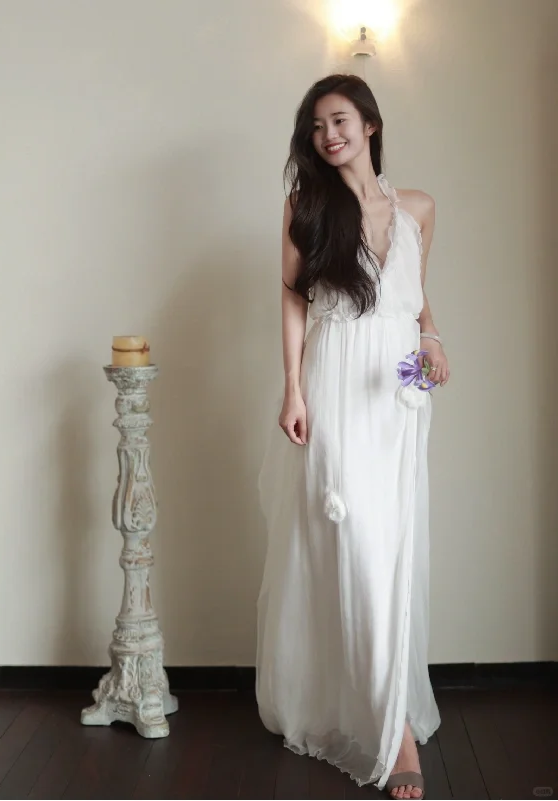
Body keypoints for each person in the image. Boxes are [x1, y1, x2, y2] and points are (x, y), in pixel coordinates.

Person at [256, 74, 449, 800]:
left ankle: (385, 701)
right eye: (315, 126)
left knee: (392, 548)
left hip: (397, 392)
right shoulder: (305, 206)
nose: (327, 135)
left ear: (369, 123)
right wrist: (293, 386)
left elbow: (416, 296)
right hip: (335, 381)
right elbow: (292, 297)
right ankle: (395, 739)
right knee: (354, 542)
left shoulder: (418, 208)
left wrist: (432, 339)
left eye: (338, 120)